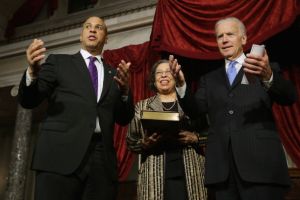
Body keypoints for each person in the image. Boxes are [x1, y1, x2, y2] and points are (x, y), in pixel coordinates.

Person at [172, 17, 298, 200]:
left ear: (244, 39)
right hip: (223, 171)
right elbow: (195, 110)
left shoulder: (263, 68)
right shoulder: (209, 79)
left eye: (230, 34)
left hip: (261, 166)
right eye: (219, 36)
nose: (224, 40)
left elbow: (289, 97)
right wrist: (182, 85)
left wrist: (269, 76)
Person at [18, 16, 134, 200]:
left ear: (106, 38)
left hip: (101, 162)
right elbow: (29, 100)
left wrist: (126, 92)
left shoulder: (115, 75)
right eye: (88, 26)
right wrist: (32, 72)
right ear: (81, 36)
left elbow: (124, 118)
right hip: (59, 156)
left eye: (99, 27)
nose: (93, 30)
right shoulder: (58, 62)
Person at [126, 59, 207, 200]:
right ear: (153, 79)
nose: (163, 75)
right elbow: (131, 142)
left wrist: (195, 138)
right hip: (154, 175)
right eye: (159, 73)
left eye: (168, 72)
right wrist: (144, 143)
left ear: (176, 76)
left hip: (191, 171)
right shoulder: (142, 106)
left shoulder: (191, 103)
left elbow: (211, 133)